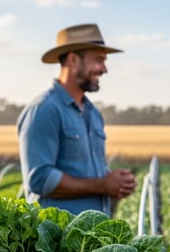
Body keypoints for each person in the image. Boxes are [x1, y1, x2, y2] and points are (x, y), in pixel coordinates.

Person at [17, 23, 137, 215]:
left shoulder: (93, 114)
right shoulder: (44, 110)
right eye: (99, 60)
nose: (104, 69)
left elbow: (87, 175)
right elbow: (40, 178)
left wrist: (115, 183)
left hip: (93, 238)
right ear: (73, 59)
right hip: (57, 241)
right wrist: (102, 185)